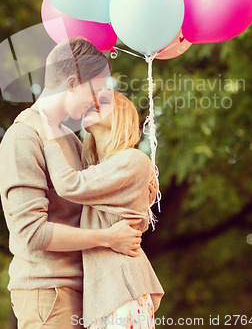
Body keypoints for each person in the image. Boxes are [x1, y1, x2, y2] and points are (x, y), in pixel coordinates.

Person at [0, 37, 157, 329]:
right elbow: (33, 233)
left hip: (88, 293)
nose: (95, 101)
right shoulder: (23, 137)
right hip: (49, 292)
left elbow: (98, 195)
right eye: (94, 91)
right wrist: (107, 238)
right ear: (72, 83)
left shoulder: (70, 141)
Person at [28, 89, 164, 328]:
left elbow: (69, 185)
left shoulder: (133, 160)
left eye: (103, 100)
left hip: (123, 291)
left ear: (122, 115)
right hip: (105, 296)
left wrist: (47, 133)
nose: (92, 103)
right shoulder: (103, 169)